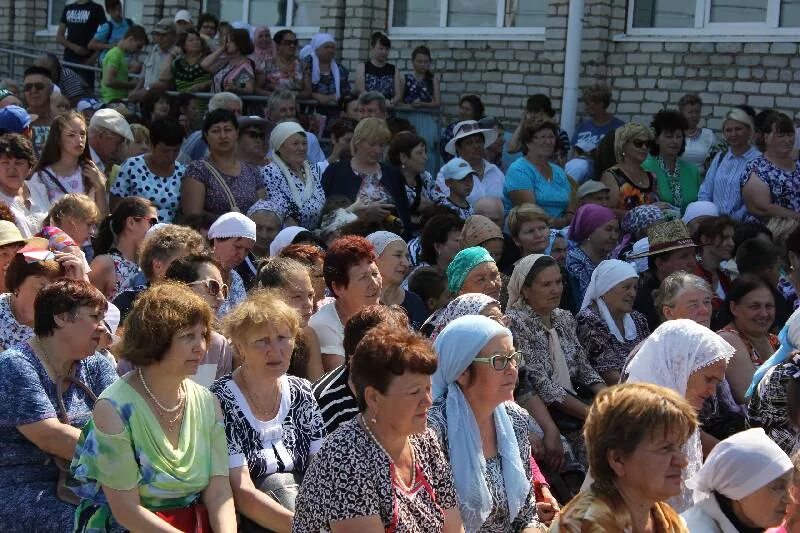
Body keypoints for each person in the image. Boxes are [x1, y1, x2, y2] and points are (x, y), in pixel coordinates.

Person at [70, 283, 236, 531]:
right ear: (154, 340)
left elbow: (219, 490)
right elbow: (127, 512)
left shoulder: (208, 403)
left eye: (203, 335)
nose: (200, 347)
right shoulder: (113, 408)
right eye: (187, 336)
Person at [293, 325, 463, 532]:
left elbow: (453, 526)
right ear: (373, 398)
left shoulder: (425, 440)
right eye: (415, 392)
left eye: (428, 388)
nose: (427, 401)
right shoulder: (344, 457)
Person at [0, 279, 116, 531]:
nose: (102, 327)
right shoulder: (15, 365)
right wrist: (128, 455)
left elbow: (128, 417)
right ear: (61, 318)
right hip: (25, 486)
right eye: (95, 317)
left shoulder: (95, 364)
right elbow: (51, 437)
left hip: (90, 484)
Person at [211, 292, 325, 531]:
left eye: (284, 337)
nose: (275, 350)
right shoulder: (220, 400)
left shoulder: (302, 391)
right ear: (240, 347)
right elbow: (241, 491)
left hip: (308, 511)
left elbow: (320, 470)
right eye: (262, 341)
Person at [429, 315, 545, 531]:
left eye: (513, 357)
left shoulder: (515, 418)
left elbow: (526, 515)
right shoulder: (433, 431)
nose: (512, 369)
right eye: (499, 361)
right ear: (462, 371)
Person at [552, 383, 697, 532]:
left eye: (679, 447)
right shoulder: (581, 525)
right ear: (617, 460)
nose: (683, 462)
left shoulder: (668, 520)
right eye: (665, 448)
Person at [623, 318, 735, 511]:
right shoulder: (637, 420)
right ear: (680, 366)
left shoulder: (678, 414)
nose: (712, 392)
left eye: (716, 383)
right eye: (708, 379)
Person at [506, 253, 605, 465]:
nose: (556, 290)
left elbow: (583, 366)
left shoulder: (563, 318)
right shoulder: (515, 324)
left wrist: (609, 399)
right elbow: (541, 383)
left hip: (576, 404)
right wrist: (592, 414)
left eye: (559, 282)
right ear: (525, 289)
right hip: (545, 414)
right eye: (546, 284)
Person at [681, 428, 793, 531]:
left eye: (789, 487)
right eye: (778, 487)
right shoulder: (695, 529)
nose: (789, 500)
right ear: (737, 490)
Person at [321, 118, 411, 231]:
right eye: (372, 144)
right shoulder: (335, 172)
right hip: (349, 241)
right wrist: (361, 214)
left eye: (381, 145)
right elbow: (324, 220)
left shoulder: (393, 175)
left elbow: (405, 219)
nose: (378, 150)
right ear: (358, 142)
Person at [308, 235, 382, 372]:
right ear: (338, 288)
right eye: (363, 277)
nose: (374, 284)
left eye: (375, 273)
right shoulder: (323, 324)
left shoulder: (385, 315)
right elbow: (346, 378)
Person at [576, 259, 649, 385]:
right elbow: (612, 378)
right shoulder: (590, 321)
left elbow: (654, 359)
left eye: (635, 288)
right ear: (605, 289)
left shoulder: (638, 319)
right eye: (626, 287)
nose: (632, 293)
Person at [182, 109, 265, 217]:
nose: (223, 136)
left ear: (237, 133)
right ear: (206, 135)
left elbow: (262, 211)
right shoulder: (198, 169)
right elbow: (193, 215)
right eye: (216, 131)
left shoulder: (252, 171)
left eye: (228, 130)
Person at [29, 110, 109, 217]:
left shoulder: (91, 173)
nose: (79, 139)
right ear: (58, 139)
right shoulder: (41, 177)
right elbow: (40, 218)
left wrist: (100, 187)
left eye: (82, 134)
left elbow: (102, 218)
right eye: (71, 135)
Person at [716, 275, 778, 405]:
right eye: (755, 306)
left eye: (769, 306)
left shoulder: (774, 340)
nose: (764, 313)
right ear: (734, 308)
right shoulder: (727, 340)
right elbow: (750, 396)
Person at [503, 118, 575, 227]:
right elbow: (529, 212)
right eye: (542, 137)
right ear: (528, 142)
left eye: (551, 137)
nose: (548, 142)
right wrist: (557, 224)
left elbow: (571, 209)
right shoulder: (519, 170)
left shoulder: (558, 171)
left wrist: (562, 222)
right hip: (530, 232)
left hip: (561, 229)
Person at [110, 118, 184, 223]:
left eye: (176, 151)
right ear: (152, 145)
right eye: (165, 151)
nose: (171, 156)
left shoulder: (182, 173)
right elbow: (115, 206)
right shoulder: (132, 166)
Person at [630, 219, 698, 331]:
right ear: (660, 264)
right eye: (684, 256)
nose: (693, 263)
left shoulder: (697, 289)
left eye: (693, 255)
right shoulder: (642, 302)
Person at [89, 197, 156, 300]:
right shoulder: (104, 264)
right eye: (152, 222)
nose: (155, 228)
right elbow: (86, 306)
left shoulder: (151, 266)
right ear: (131, 223)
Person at [698, 108, 761, 220]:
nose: (733, 134)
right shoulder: (720, 158)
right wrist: (709, 215)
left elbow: (756, 199)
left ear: (749, 130)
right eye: (728, 130)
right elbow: (705, 191)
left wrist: (731, 221)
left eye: (738, 129)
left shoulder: (759, 160)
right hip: (714, 224)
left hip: (743, 226)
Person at [262, 122, 325, 229]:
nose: (301, 148)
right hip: (290, 236)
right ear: (279, 147)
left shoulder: (312, 170)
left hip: (316, 233)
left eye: (304, 143)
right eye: (295, 144)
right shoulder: (270, 172)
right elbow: (283, 214)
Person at [742, 111, 800, 224]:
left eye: (790, 134)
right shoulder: (757, 168)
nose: (787, 140)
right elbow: (765, 207)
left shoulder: (797, 164)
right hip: (769, 234)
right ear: (766, 137)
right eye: (781, 135)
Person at [642, 109, 701, 214]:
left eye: (679, 136)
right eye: (669, 136)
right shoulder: (645, 168)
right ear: (656, 139)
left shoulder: (692, 170)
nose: (675, 141)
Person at [366, 231, 428, 329]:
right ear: (374, 258)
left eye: (407, 257)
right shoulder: (358, 302)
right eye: (398, 255)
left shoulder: (415, 302)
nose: (406, 263)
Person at [438, 120, 504, 208]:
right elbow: (445, 207)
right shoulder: (446, 174)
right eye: (469, 143)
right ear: (458, 148)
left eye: (479, 141)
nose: (476, 146)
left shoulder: (495, 171)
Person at [600, 122, 661, 213]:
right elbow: (605, 211)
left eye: (648, 144)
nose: (644, 147)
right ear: (623, 146)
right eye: (638, 143)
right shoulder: (612, 176)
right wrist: (645, 210)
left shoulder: (652, 176)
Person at [565, 203, 619, 305]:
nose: (614, 236)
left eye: (616, 231)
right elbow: (586, 301)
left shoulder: (611, 259)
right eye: (608, 229)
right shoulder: (573, 261)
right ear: (589, 230)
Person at [737, 237, 793, 330]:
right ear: (768, 272)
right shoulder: (775, 300)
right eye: (778, 269)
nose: (779, 275)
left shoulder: (731, 297)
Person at [207, 212, 256, 316]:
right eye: (237, 247)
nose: (242, 255)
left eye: (247, 250)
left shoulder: (236, 278)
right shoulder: (200, 274)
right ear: (217, 240)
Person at [0, 133, 49, 237]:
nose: (11, 169)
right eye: (5, 163)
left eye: (18, 163)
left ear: (29, 167)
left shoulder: (39, 189)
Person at [388, 131, 438, 224]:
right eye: (419, 153)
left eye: (425, 152)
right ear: (403, 157)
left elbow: (440, 201)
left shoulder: (425, 177)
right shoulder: (390, 180)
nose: (425, 157)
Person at [56, 0, 106, 87]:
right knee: (68, 92)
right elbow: (59, 36)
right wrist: (74, 47)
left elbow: (107, 34)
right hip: (69, 60)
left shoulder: (96, 8)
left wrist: (94, 57)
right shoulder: (68, 8)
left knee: (85, 94)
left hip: (87, 61)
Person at [693, 215, 735, 310]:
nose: (732, 243)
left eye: (732, 238)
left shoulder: (725, 275)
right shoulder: (692, 275)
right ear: (705, 239)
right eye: (725, 238)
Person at [99, 25, 148, 103]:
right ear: (131, 39)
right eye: (138, 46)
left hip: (116, 100)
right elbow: (109, 81)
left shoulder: (120, 54)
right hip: (112, 101)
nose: (138, 50)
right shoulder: (115, 54)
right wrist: (132, 84)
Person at [300, 33, 351, 107]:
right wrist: (314, 95)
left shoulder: (341, 69)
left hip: (334, 111)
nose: (330, 50)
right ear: (316, 49)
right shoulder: (305, 65)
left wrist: (334, 97)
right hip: (309, 111)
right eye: (326, 47)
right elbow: (299, 89)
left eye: (332, 47)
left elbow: (347, 92)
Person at [156, 28, 212, 95]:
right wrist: (171, 55)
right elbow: (163, 77)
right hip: (182, 102)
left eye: (198, 39)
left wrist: (203, 85)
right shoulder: (178, 63)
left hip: (203, 102)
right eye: (191, 40)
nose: (195, 42)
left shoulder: (207, 59)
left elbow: (217, 79)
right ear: (183, 45)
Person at [202, 28, 256, 95]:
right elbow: (204, 65)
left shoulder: (245, 67)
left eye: (230, 41)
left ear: (239, 43)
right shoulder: (225, 61)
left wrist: (235, 88)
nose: (227, 44)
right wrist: (221, 49)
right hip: (215, 102)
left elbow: (248, 90)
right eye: (226, 41)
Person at [572, 84, 624, 150]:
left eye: (588, 104)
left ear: (600, 104)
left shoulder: (620, 129)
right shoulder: (582, 128)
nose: (586, 108)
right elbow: (575, 155)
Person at [678, 93, 718, 171]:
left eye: (697, 112)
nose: (694, 115)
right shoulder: (673, 135)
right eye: (690, 112)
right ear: (681, 114)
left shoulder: (709, 135)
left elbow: (714, 164)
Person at [355, 32, 399, 101]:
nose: (384, 52)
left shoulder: (394, 69)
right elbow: (361, 91)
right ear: (373, 48)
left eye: (387, 49)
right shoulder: (362, 67)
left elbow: (398, 95)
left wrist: (393, 102)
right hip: (368, 107)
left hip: (388, 107)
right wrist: (380, 102)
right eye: (381, 49)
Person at [87, 107, 133, 174]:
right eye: (118, 143)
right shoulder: (78, 159)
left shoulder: (109, 160)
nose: (120, 148)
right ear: (101, 136)